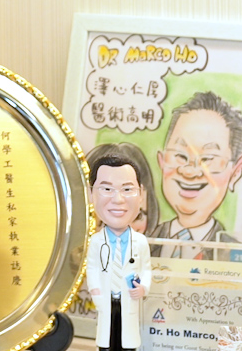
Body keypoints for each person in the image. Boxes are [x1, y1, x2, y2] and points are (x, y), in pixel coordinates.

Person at [148, 90, 242, 257]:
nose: (190, 171)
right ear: (162, 161)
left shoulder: (237, 256)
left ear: (236, 171)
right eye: (180, 156)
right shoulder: (140, 243)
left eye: (207, 159)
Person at [86, 147, 153, 351]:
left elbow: (146, 269)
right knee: (107, 340)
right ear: (91, 193)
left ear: (140, 194)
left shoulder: (140, 241)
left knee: (127, 341)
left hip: (129, 299)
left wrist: (143, 288)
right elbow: (92, 269)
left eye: (127, 189)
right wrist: (96, 293)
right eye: (107, 189)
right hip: (106, 299)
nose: (118, 199)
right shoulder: (96, 241)